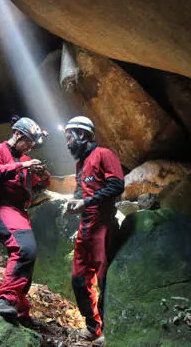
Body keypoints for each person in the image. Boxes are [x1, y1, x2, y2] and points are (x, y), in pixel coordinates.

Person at [0, 116, 50, 325]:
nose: (30, 147)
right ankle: (4, 299)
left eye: (32, 144)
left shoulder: (23, 159)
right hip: (3, 207)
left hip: (21, 211)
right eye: (28, 141)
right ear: (17, 133)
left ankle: (19, 309)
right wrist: (22, 166)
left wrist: (41, 173)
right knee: (24, 249)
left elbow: (40, 185)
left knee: (29, 255)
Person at [63, 116, 125, 344]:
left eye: (69, 137)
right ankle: (93, 326)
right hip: (85, 228)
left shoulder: (104, 155)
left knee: (104, 279)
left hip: (103, 226)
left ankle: (109, 331)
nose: (67, 143)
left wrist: (86, 202)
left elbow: (117, 185)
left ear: (83, 135)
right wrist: (74, 202)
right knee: (79, 279)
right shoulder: (81, 163)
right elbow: (82, 190)